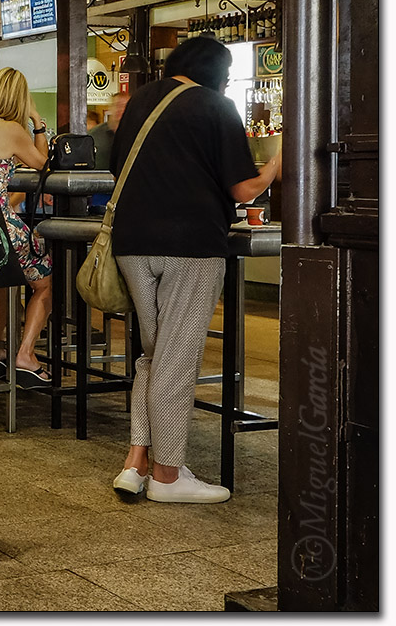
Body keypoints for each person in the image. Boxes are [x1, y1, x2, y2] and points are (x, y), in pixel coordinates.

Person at [109, 36, 281, 504]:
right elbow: (244, 189)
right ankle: (168, 476)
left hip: (131, 243)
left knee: (153, 354)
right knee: (177, 356)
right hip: (190, 245)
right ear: (217, 73)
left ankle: (135, 463)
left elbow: (114, 165)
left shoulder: (142, 100)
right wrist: (275, 166)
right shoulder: (214, 106)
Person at [0, 67, 53, 386]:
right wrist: (38, 124)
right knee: (45, 284)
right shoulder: (11, 129)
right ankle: (25, 354)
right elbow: (43, 165)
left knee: (2, 278)